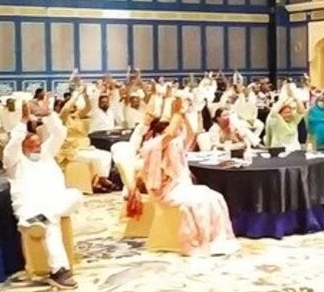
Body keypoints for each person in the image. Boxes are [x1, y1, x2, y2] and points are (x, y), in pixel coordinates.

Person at [134, 98, 238, 256]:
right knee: (198, 202)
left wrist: (184, 116)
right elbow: (170, 134)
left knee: (214, 197)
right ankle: (197, 241)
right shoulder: (152, 147)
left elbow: (190, 134)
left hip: (181, 186)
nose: (176, 135)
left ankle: (214, 239)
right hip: (166, 192)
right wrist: (177, 112)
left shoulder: (174, 145)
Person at [4, 103, 83, 289]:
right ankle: (59, 271)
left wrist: (49, 114)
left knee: (76, 195)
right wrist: (23, 121)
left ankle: (45, 217)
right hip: (32, 207)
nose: (36, 148)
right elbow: (12, 145)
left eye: (38, 144)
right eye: (31, 145)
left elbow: (59, 134)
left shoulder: (46, 154)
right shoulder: (14, 162)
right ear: (23, 147)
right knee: (51, 226)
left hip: (55, 202)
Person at [56, 86, 116, 193]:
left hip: (85, 147)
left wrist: (84, 95)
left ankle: (100, 179)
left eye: (74, 106)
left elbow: (88, 107)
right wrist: (76, 94)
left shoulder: (77, 116)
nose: (73, 107)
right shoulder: (61, 119)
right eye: (72, 106)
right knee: (99, 158)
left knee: (106, 155)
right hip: (72, 150)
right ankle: (99, 181)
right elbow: (65, 109)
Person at [264, 82, 306, 151]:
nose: (288, 114)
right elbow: (273, 112)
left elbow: (301, 111)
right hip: (279, 151)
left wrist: (296, 97)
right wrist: (283, 99)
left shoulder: (293, 121)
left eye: (290, 112)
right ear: (280, 114)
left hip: (294, 150)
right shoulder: (276, 120)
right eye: (285, 113)